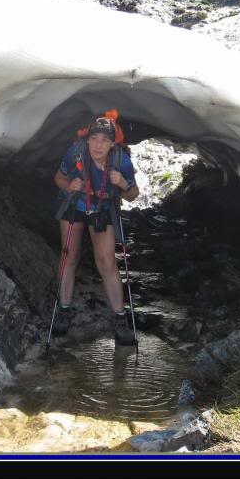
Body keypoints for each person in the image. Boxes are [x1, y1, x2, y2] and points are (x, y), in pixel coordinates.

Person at [52, 112, 140, 345]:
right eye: (94, 139)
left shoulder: (121, 161)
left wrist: (122, 183)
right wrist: (70, 185)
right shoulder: (76, 153)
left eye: (104, 140)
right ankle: (64, 309)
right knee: (69, 255)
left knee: (107, 262)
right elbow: (59, 178)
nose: (98, 145)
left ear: (112, 143)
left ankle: (120, 318)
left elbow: (133, 195)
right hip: (74, 204)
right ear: (87, 139)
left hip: (102, 208)